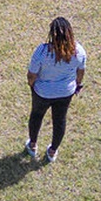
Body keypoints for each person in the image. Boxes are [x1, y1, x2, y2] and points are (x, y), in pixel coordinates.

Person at [26, 16, 87, 163]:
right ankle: (52, 151)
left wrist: (32, 85)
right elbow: (80, 72)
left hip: (42, 92)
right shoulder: (78, 51)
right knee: (59, 120)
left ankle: (33, 144)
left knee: (36, 116)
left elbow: (31, 75)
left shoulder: (42, 51)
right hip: (66, 92)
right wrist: (77, 84)